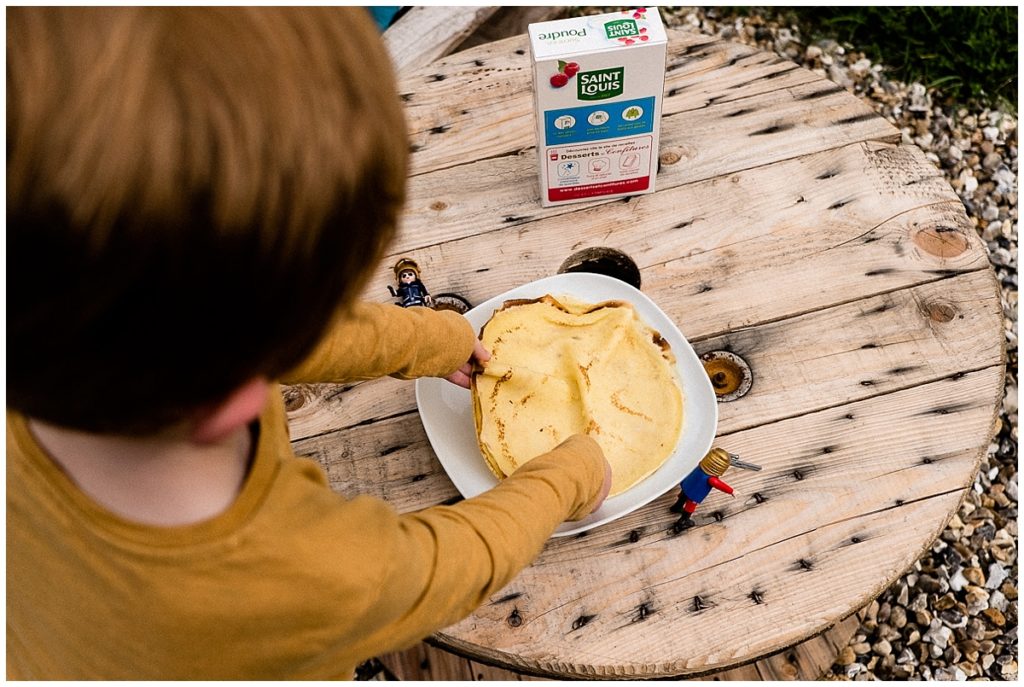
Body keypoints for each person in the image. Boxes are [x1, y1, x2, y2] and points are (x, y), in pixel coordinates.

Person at [6, 7, 612, 680]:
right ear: (241, 384)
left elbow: (257, 327)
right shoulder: (307, 573)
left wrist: (431, 339)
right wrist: (572, 473)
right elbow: (456, 565)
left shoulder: (58, 323)